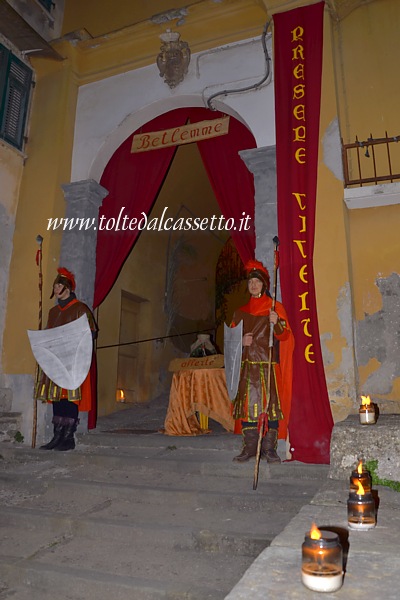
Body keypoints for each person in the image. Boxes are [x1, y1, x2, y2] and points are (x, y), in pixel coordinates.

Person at [230, 259, 294, 463]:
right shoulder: (240, 312)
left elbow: (285, 337)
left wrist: (276, 323)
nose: (254, 285)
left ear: (264, 284)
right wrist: (240, 341)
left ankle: (269, 448)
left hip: (268, 366)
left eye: (257, 281)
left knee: (271, 406)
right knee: (249, 407)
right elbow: (230, 342)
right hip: (248, 367)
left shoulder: (275, 308)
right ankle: (249, 447)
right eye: (251, 282)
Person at [35, 267, 97, 451]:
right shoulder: (53, 311)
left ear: (68, 288)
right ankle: (57, 436)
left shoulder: (81, 309)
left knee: (69, 398)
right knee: (57, 398)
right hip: (56, 361)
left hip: (72, 362)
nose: (56, 288)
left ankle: (68, 438)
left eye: (59, 285)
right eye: (55, 285)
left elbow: (91, 334)